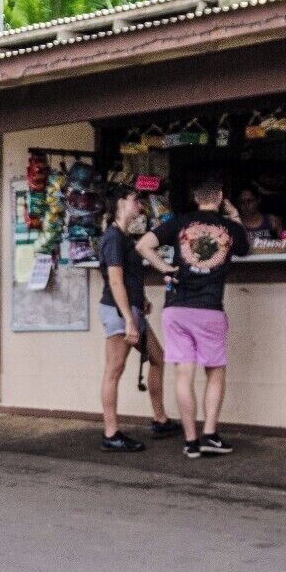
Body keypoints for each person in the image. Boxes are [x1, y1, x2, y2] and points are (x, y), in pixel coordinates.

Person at [141, 175, 249, 457]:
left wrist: (165, 267)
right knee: (215, 373)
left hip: (176, 308)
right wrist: (235, 216)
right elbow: (245, 249)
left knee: (183, 375)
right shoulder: (229, 227)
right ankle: (209, 435)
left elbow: (143, 245)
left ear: (196, 199)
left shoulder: (179, 222)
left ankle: (190, 442)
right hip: (209, 309)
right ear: (220, 197)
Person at [96, 187, 179, 451]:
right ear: (120, 202)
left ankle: (160, 419)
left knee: (158, 357)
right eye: (135, 200)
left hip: (131, 309)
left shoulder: (124, 237)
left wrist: (140, 300)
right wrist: (129, 320)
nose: (140, 205)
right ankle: (111, 434)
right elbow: (115, 281)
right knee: (114, 369)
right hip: (119, 311)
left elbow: (129, 277)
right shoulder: (113, 238)